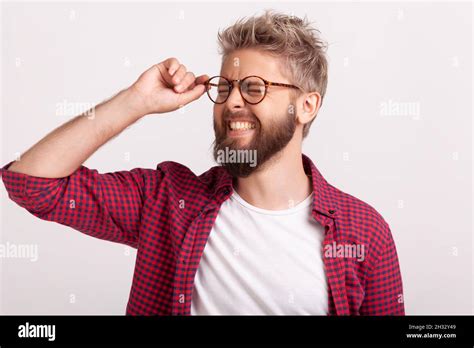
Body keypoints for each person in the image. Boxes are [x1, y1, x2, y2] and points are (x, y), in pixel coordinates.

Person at [1, 10, 404, 315]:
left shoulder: (364, 231)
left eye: (253, 88)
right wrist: (136, 101)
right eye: (225, 87)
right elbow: (32, 184)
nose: (231, 102)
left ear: (307, 105)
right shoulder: (167, 200)